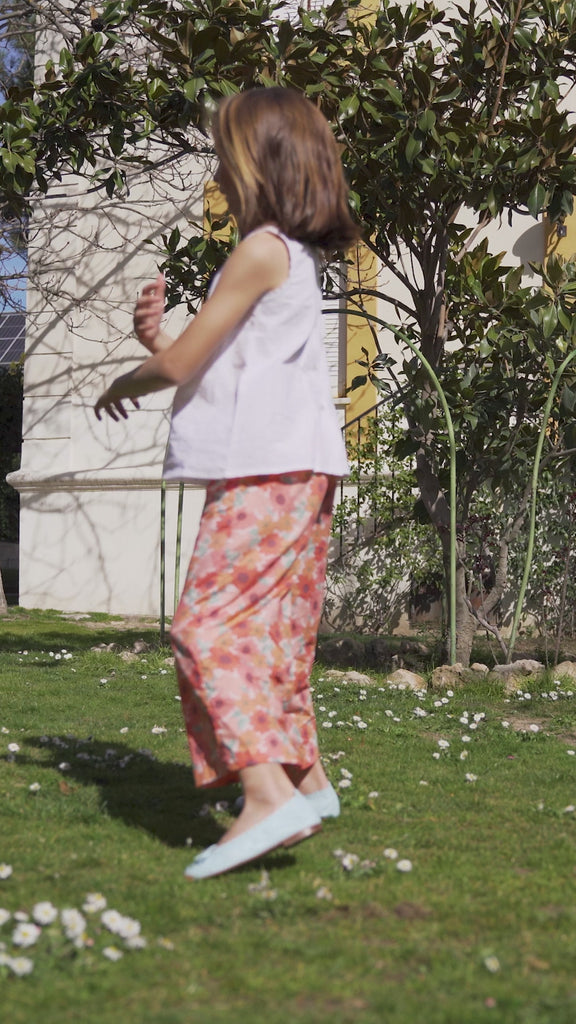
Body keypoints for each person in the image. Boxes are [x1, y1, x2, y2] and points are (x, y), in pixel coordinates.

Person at [94, 87, 359, 879]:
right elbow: (223, 364)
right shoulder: (287, 255)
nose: (216, 171)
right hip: (297, 466)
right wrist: (157, 340)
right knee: (271, 637)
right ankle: (305, 780)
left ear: (261, 163)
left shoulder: (261, 251)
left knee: (206, 630)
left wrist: (125, 380)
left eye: (224, 156)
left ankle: (267, 796)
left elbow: (183, 369)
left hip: (264, 471)